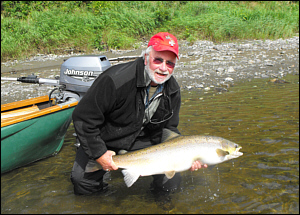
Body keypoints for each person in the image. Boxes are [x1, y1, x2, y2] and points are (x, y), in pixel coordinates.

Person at [70, 32, 207, 195]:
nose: (163, 68)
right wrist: (98, 153)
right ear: (146, 57)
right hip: (106, 137)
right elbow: (84, 118)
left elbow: (169, 129)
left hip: (143, 140)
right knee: (82, 181)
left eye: (170, 63)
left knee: (171, 181)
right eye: (158, 60)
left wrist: (187, 156)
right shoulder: (115, 80)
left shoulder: (173, 90)